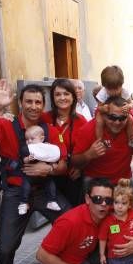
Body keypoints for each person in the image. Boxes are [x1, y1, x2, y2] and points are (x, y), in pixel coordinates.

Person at [0, 80, 70, 264]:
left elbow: (63, 162)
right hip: (16, 192)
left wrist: (50, 170)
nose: (33, 106)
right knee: (6, 246)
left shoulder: (50, 131)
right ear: (20, 103)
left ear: (43, 105)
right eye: (28, 101)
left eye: (38, 102)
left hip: (46, 190)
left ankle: (71, 260)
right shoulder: (5, 125)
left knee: (71, 220)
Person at [71, 96, 133, 185]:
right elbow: (74, 161)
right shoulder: (88, 129)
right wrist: (88, 155)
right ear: (103, 115)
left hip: (123, 182)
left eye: (122, 118)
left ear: (128, 117)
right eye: (112, 117)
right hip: (95, 182)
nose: (117, 122)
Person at [44, 78, 88, 206]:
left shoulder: (81, 121)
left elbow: (88, 149)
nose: (62, 98)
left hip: (73, 178)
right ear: (52, 98)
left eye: (66, 94)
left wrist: (81, 168)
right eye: (58, 94)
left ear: (73, 97)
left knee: (73, 214)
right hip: (49, 178)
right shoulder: (44, 118)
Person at [19, 125, 62, 215]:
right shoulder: (27, 150)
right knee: (25, 186)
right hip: (30, 176)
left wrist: (52, 165)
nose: (29, 141)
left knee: (50, 184)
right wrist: (28, 158)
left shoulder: (46, 147)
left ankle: (52, 201)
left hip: (44, 176)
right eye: (27, 139)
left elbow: (51, 158)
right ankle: (23, 203)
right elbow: (23, 160)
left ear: (42, 139)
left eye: (32, 138)